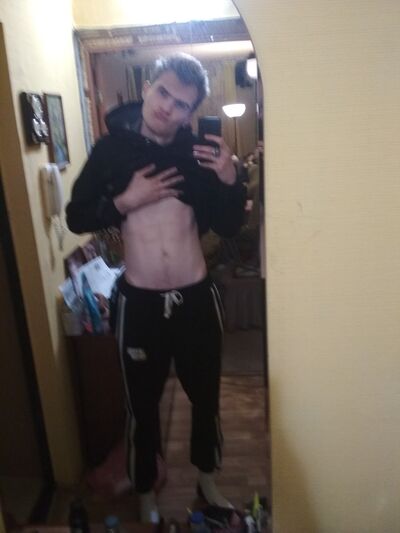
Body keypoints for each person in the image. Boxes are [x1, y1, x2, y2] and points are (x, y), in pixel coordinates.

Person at [66, 53, 246, 522]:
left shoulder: (198, 155)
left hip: (195, 297)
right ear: (147, 88)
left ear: (190, 113)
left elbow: (228, 225)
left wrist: (230, 178)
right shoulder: (111, 151)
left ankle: (207, 479)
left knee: (205, 398)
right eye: (163, 92)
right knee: (140, 407)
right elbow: (76, 216)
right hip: (140, 303)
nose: (167, 107)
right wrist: (126, 201)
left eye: (181, 103)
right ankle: (145, 491)